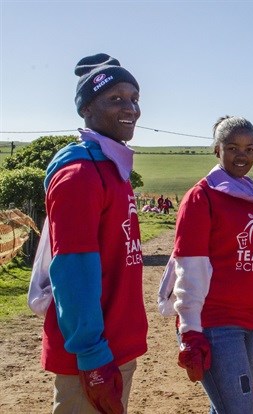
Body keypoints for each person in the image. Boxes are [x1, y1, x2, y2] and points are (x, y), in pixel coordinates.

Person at [35, 53, 148, 413]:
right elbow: (72, 272)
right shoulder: (80, 174)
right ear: (86, 109)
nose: (130, 107)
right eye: (115, 99)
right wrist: (92, 355)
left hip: (112, 345)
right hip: (90, 355)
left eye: (133, 98)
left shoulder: (113, 169)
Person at [157, 116, 253, 413]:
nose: (242, 155)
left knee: (226, 408)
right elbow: (190, 268)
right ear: (216, 149)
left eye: (250, 148)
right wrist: (191, 331)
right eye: (232, 148)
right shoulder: (201, 197)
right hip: (215, 324)